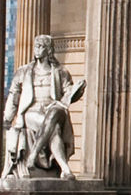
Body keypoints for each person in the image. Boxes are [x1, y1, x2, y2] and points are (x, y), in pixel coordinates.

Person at [2, 35, 82, 181]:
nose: (37, 49)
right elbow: (14, 96)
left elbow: (68, 94)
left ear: (49, 50)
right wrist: (7, 117)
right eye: (36, 46)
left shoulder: (60, 71)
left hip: (53, 109)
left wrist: (77, 90)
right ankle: (65, 169)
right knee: (55, 129)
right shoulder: (24, 71)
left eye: (41, 46)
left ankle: (33, 155)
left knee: (55, 110)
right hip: (31, 112)